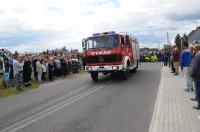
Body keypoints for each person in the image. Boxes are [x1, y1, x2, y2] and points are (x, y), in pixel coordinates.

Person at [191, 44, 200, 110]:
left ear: (196, 49)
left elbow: (195, 67)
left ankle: (199, 105)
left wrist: (192, 74)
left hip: (197, 76)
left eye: (193, 49)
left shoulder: (197, 55)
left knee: (198, 90)